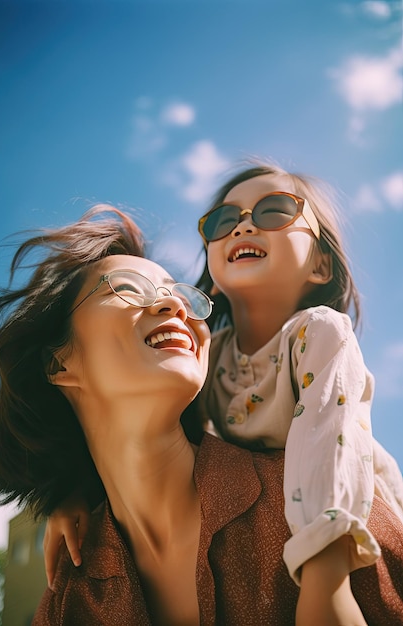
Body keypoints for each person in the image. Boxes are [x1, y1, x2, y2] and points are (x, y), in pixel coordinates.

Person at [42, 165, 403, 623]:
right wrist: (73, 491)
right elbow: (140, 434)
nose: (244, 224)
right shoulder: (206, 360)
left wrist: (326, 578)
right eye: (222, 222)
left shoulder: (322, 334)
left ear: (320, 264)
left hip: (348, 510)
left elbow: (329, 443)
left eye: (275, 211)